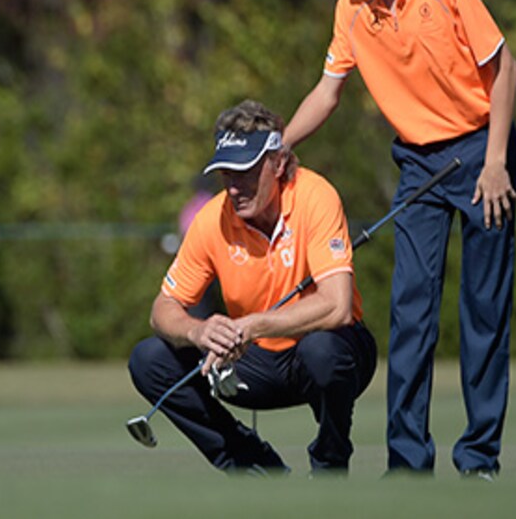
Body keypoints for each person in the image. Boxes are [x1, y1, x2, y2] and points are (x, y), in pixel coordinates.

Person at [283, 0, 516, 480]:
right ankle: (408, 464)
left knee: (483, 311)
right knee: (412, 313)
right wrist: (278, 146)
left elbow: (505, 69)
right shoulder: (352, 3)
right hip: (418, 162)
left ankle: (479, 461)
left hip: (480, 149)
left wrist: (494, 163)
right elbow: (328, 92)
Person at [128, 99, 377, 475]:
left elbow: (337, 307)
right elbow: (162, 309)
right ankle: (251, 464)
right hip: (256, 363)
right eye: (226, 173)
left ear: (277, 164)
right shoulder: (213, 218)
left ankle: (330, 463)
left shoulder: (315, 196)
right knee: (148, 360)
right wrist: (199, 331)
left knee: (322, 350)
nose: (234, 187)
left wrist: (251, 326)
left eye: (245, 171)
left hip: (332, 354)